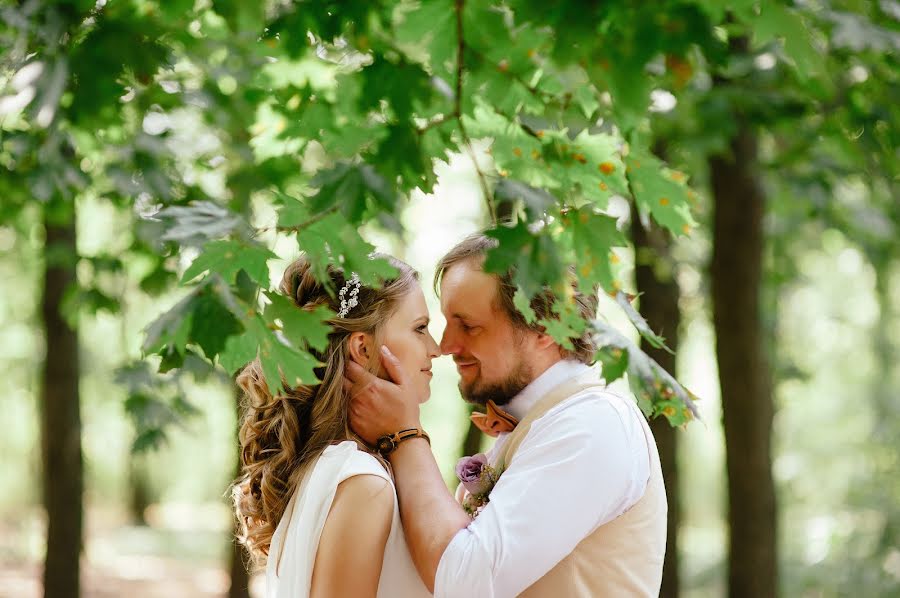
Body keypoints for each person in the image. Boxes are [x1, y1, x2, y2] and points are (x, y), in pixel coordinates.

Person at [347, 233, 667, 597]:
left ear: (546, 328)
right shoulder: (537, 424)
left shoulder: (593, 427)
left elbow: (464, 583)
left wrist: (405, 435)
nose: (445, 345)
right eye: (443, 323)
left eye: (468, 325)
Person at [232, 254, 438, 598]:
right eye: (420, 328)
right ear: (362, 346)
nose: (437, 348)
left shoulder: (332, 468)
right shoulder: (363, 483)